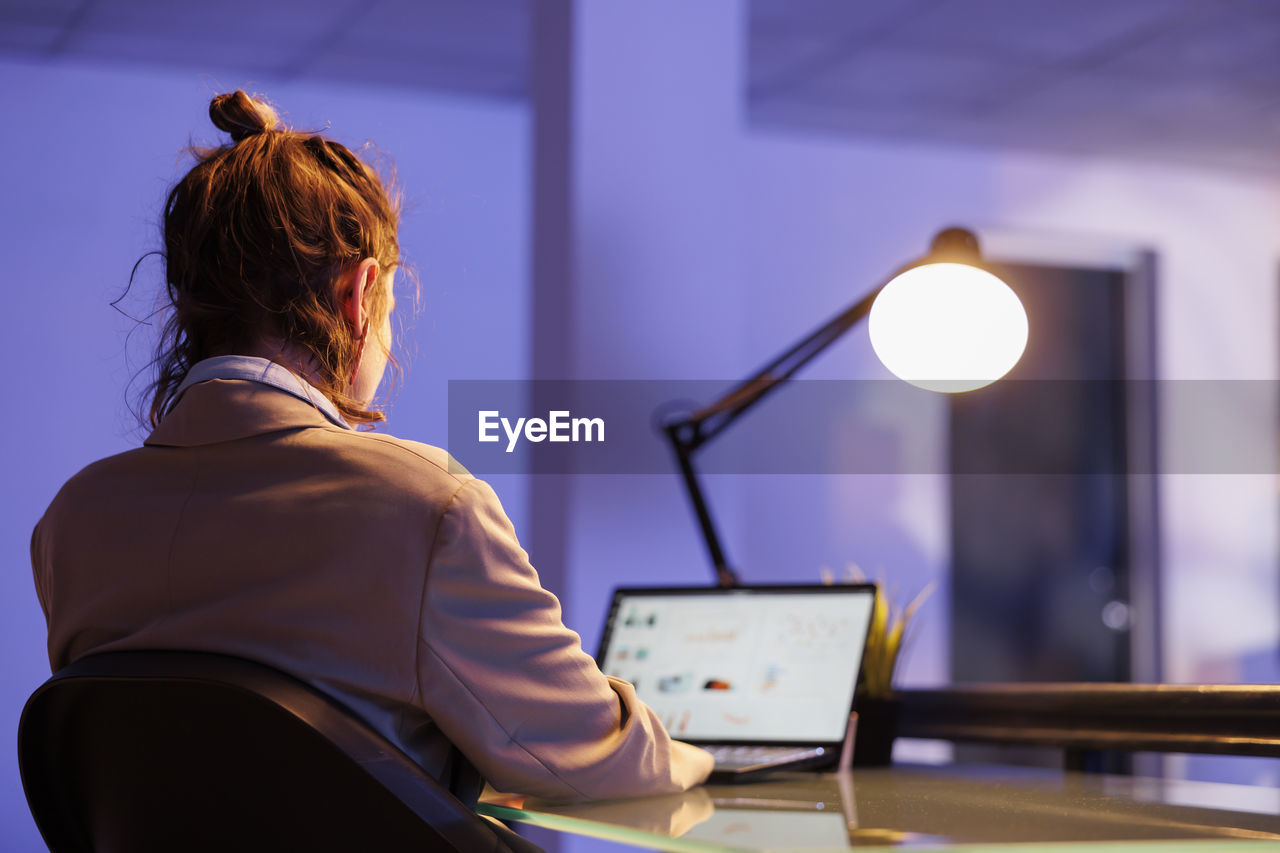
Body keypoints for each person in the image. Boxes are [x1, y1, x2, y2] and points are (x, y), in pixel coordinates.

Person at [30, 90, 713, 807]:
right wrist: (703, 754)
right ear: (360, 296)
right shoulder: (425, 508)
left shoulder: (73, 520)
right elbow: (593, 759)